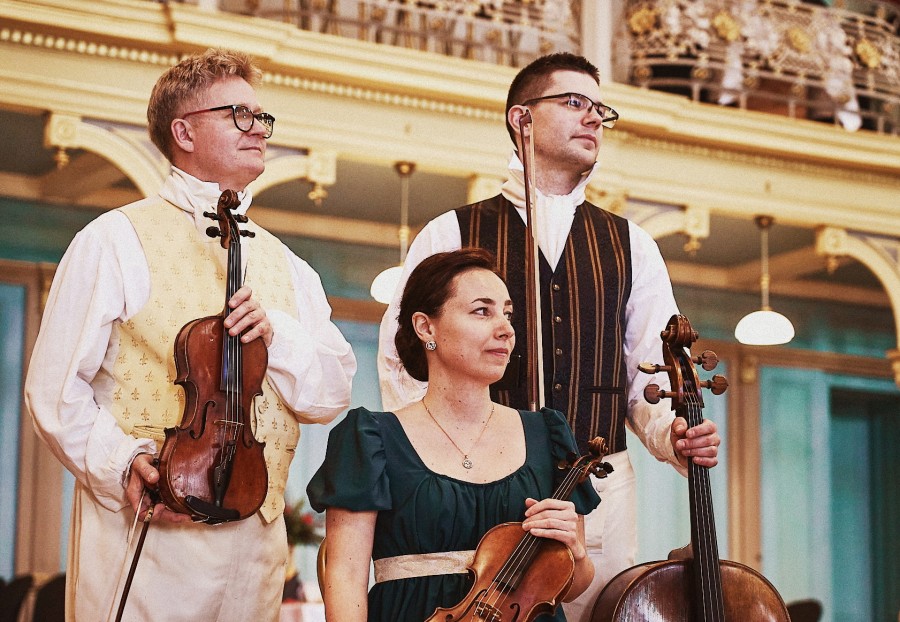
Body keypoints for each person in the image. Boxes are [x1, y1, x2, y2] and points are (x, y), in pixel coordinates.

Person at [377, 52, 721, 621]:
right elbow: (403, 362)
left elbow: (646, 375)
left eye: (600, 108)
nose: (593, 118)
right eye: (574, 102)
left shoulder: (633, 245)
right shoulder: (450, 231)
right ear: (522, 119)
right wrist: (439, 468)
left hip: (601, 491)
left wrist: (674, 436)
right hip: (477, 490)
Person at [24, 48, 357, 621]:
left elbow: (330, 395)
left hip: (257, 540)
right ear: (184, 132)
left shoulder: (289, 266)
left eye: (261, 117)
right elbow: (54, 389)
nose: (259, 129)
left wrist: (276, 336)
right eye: (239, 115)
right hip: (151, 528)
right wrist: (122, 463)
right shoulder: (113, 239)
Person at [308, 248, 601, 621]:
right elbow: (346, 577)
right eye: (482, 311)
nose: (506, 329)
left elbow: (570, 585)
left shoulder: (549, 434)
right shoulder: (370, 439)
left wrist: (576, 552)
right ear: (426, 327)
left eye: (507, 314)